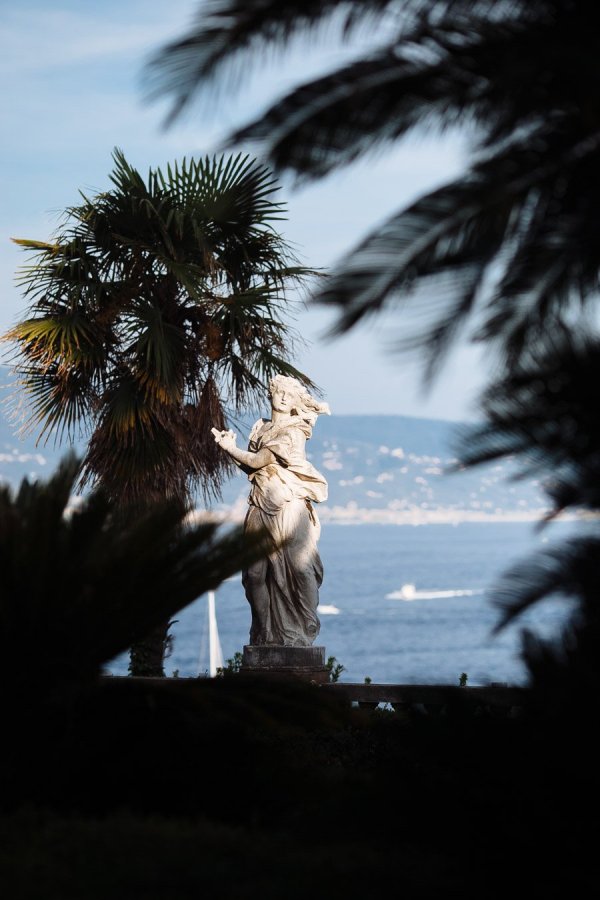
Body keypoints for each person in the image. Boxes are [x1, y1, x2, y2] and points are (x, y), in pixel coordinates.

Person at [211, 375, 330, 646]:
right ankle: (263, 632)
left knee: (300, 570)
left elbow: (259, 459)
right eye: (280, 391)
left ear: (296, 403)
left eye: (291, 394)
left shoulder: (294, 431)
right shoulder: (261, 428)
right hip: (259, 505)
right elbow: (252, 467)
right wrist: (233, 451)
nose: (284, 397)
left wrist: (231, 449)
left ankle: (305, 626)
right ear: (272, 394)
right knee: (254, 574)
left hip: (289, 509)